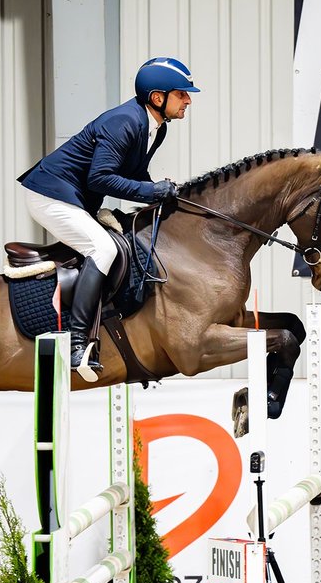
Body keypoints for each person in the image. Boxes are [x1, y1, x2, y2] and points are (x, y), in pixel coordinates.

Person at [18, 57, 199, 381]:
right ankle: (77, 343)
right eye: (182, 93)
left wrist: (162, 195)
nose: (188, 100)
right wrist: (153, 190)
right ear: (158, 97)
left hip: (76, 198)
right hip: (50, 195)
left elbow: (135, 175)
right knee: (103, 249)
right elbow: (99, 178)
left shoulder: (156, 129)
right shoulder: (123, 122)